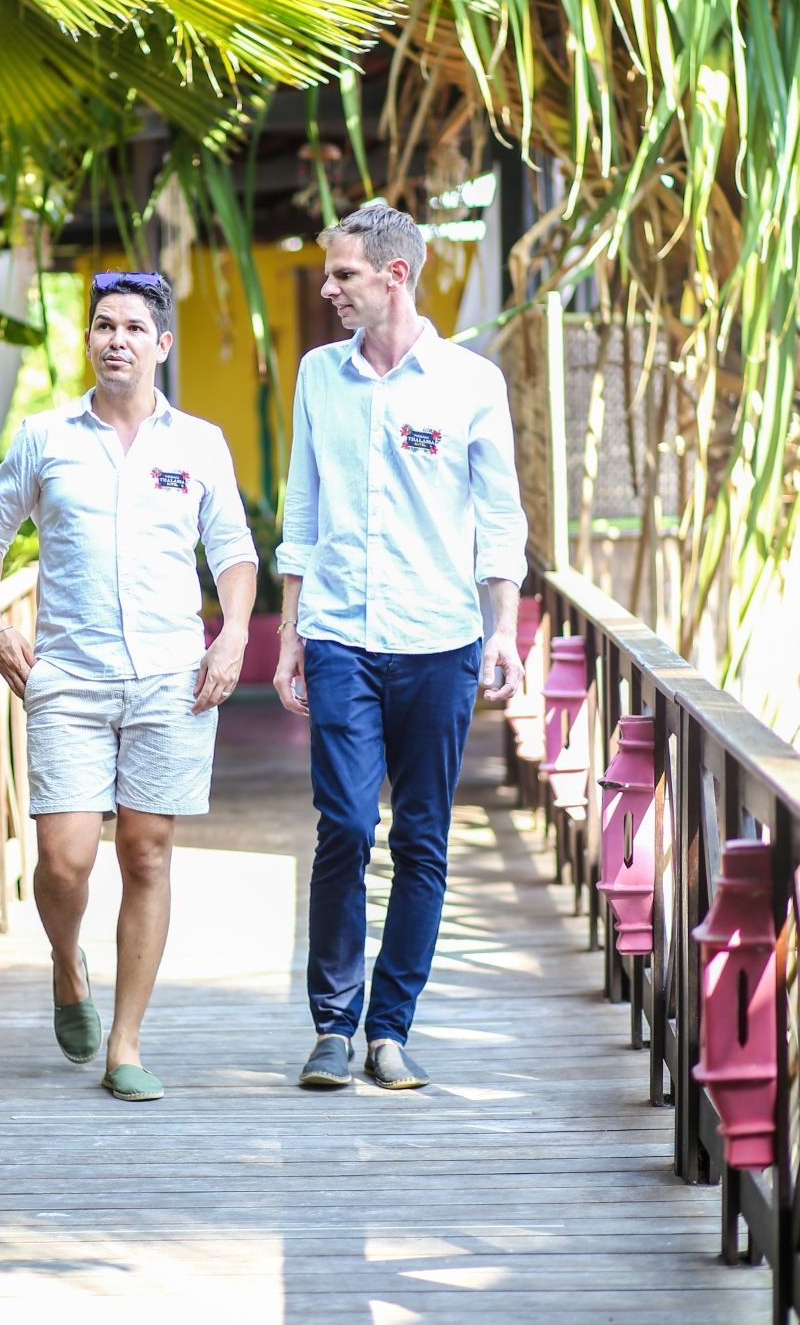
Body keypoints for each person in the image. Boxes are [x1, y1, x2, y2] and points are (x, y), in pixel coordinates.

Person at [0, 270, 257, 1102]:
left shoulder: (197, 444)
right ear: (87, 341)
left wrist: (233, 635)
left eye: (133, 327)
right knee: (63, 861)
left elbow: (233, 551)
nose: (116, 339)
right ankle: (67, 963)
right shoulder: (45, 436)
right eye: (102, 326)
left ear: (162, 345)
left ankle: (124, 1044)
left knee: (147, 852)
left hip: (172, 680)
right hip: (69, 676)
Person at [273, 204, 527, 1091]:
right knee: (344, 825)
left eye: (343, 274)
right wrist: (291, 632)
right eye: (328, 272)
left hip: (439, 640)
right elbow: (299, 506)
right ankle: (332, 1028)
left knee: (423, 839)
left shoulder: (468, 383)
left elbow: (499, 519)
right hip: (341, 631)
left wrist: (503, 630)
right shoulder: (317, 376)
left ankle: (391, 1027)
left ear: (395, 276)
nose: (328, 287)